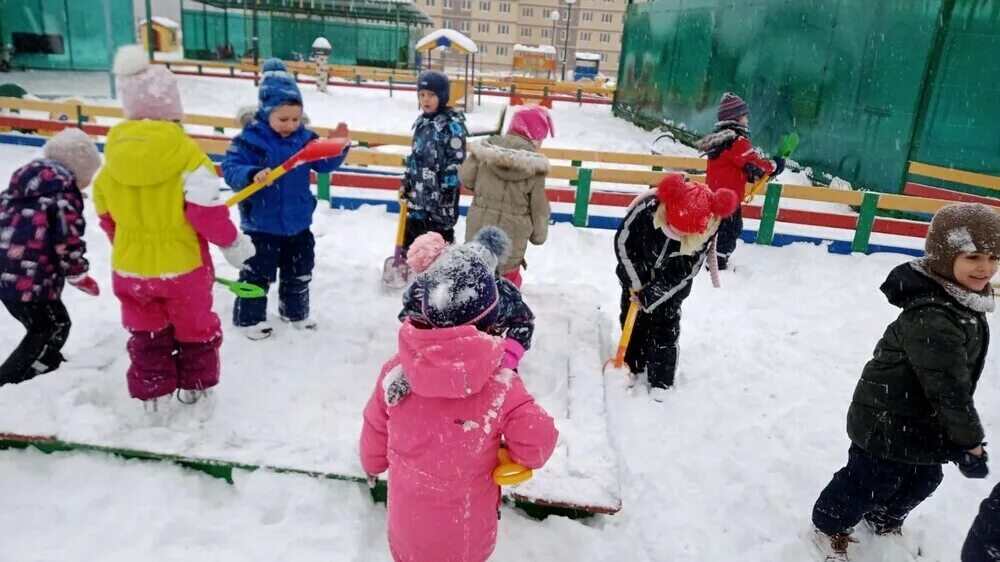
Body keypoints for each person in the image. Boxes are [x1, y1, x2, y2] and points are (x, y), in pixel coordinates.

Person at [811, 202, 1000, 561]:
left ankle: (882, 519)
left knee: (924, 480)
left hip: (923, 422)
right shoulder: (933, 316)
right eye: (973, 256)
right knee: (870, 480)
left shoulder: (962, 301)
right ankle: (828, 526)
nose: (985, 268)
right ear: (945, 257)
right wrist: (969, 441)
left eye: (993, 257)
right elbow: (949, 389)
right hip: (886, 419)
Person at [360, 227, 558, 562]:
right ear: (491, 318)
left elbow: (375, 428)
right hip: (466, 538)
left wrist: (373, 463)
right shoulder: (501, 386)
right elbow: (538, 442)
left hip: (406, 533)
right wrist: (516, 457)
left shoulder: (395, 373)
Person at [93, 45, 254, 408]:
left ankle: (153, 398)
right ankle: (197, 390)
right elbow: (205, 213)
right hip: (182, 268)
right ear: (173, 112)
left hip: (131, 270)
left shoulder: (112, 158)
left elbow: (105, 214)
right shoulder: (186, 155)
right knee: (195, 330)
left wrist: (128, 243)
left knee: (147, 334)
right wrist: (233, 245)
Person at [222, 58, 349, 340]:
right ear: (266, 112)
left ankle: (294, 313)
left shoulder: (305, 139)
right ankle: (249, 319)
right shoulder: (250, 140)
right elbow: (230, 168)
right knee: (257, 275)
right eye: (283, 119)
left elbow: (324, 164)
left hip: (298, 224)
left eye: (295, 118)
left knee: (299, 272)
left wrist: (339, 148)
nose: (290, 125)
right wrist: (251, 173)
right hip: (261, 226)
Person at [613, 173, 738, 401]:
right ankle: (632, 363)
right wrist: (636, 282)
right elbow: (623, 243)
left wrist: (650, 295)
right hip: (634, 273)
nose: (675, 237)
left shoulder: (708, 227)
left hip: (669, 290)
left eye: (683, 236)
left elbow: (683, 272)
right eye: (672, 229)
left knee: (665, 329)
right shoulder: (647, 208)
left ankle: (661, 380)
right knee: (633, 321)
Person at [0, 128, 102, 386]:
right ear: (78, 170)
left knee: (47, 324)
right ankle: (10, 381)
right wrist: (78, 274)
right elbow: (68, 241)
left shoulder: (20, 189)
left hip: (6, 275)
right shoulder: (63, 195)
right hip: (30, 280)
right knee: (50, 327)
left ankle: (46, 367)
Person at [399, 229, 536, 372]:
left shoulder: (506, 295)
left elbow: (524, 321)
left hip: (490, 356)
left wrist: (510, 354)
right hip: (442, 353)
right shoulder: (435, 289)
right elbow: (410, 307)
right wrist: (420, 336)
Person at [461, 105, 553, 288]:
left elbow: (466, 177)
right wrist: (539, 235)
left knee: (474, 280)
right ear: (535, 137)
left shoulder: (485, 153)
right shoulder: (535, 168)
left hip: (479, 233)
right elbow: (539, 209)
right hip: (511, 243)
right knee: (506, 285)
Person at [696, 92, 784, 270]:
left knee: (716, 229)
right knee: (731, 229)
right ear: (735, 119)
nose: (747, 121)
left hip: (715, 194)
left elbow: (737, 166)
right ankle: (717, 262)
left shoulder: (722, 140)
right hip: (727, 199)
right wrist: (775, 165)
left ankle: (709, 256)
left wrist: (750, 173)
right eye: (744, 117)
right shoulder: (737, 142)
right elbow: (756, 165)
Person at [400, 71, 467, 252]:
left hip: (440, 201)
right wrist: (407, 181)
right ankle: (408, 271)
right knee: (412, 240)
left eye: (431, 95)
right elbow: (414, 156)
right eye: (422, 95)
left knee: (438, 244)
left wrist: (449, 188)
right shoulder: (421, 124)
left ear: (442, 96)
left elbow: (457, 160)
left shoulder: (451, 126)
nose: (425, 100)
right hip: (418, 198)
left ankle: (441, 276)